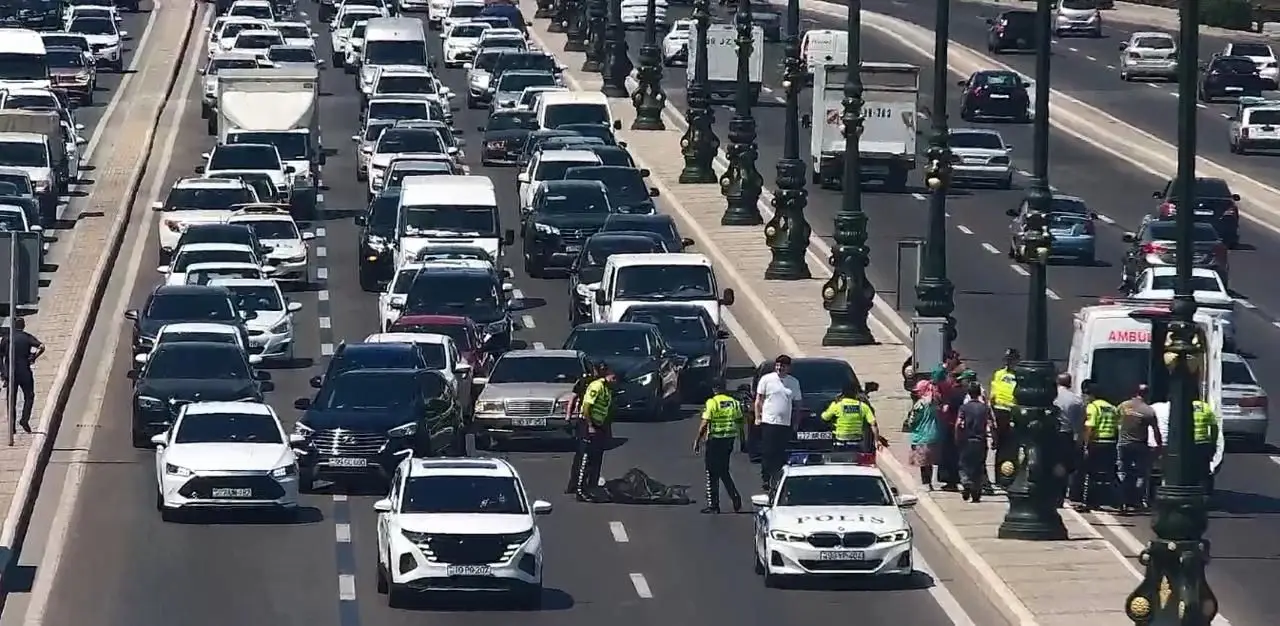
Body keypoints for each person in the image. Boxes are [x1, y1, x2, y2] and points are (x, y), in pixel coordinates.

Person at [693, 380, 743, 514]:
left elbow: (705, 423)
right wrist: (743, 441)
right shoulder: (734, 402)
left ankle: (714, 504)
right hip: (729, 440)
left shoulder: (712, 403)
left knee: (711, 472)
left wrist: (697, 440)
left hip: (715, 440)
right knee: (723, 470)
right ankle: (734, 496)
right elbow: (740, 421)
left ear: (714, 390)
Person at [754, 354, 802, 491]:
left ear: (788, 368)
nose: (780, 368)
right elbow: (759, 400)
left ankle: (777, 479)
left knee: (780, 453)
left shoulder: (794, 382)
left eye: (783, 366)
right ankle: (766, 478)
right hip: (769, 421)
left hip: (784, 423)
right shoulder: (767, 379)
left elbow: (797, 404)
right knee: (768, 451)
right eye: (778, 365)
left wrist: (796, 422)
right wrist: (758, 417)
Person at [1115, 385, 1160, 513]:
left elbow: (1115, 420)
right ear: (1147, 394)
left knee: (1122, 472)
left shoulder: (1123, 405)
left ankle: (1121, 501)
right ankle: (1136, 501)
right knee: (1140, 474)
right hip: (1140, 444)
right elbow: (1156, 431)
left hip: (1123, 443)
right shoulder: (1148, 411)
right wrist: (1159, 445)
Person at [575, 365, 616, 502]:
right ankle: (580, 490)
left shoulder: (607, 390)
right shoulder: (596, 386)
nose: (614, 381)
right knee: (586, 458)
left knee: (596, 458)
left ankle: (591, 487)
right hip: (588, 425)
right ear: (607, 375)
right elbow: (586, 407)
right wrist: (590, 425)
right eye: (613, 377)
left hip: (599, 426)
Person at [564, 362, 603, 494]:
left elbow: (572, 399)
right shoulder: (586, 383)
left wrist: (568, 417)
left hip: (595, 422)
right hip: (587, 421)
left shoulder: (600, 384)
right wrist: (569, 416)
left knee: (591, 454)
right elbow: (573, 399)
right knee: (585, 454)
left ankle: (588, 483)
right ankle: (579, 484)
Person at [1080, 379, 1119, 512]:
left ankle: (1089, 502)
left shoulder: (1093, 407)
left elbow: (1090, 427)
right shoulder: (1112, 407)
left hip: (1097, 443)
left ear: (1091, 395)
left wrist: (1085, 444)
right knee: (1108, 474)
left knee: (1090, 473)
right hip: (1110, 443)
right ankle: (1114, 500)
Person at [0, 318, 44, 434]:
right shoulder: (26, 337)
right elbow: (41, 346)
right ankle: (24, 419)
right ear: (23, 326)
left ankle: (12, 426)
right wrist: (33, 357)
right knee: (29, 396)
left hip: (11, 373)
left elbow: (0, 356)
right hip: (24, 371)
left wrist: (3, 372)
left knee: (11, 399)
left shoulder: (6, 338)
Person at [819, 381, 884, 453]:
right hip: (856, 441)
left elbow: (825, 417)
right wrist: (876, 440)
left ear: (843, 393)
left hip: (840, 440)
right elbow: (873, 424)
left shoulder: (837, 405)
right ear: (856, 393)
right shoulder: (863, 406)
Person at [955, 381, 992, 503]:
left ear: (969, 394)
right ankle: (976, 493)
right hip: (981, 441)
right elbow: (992, 425)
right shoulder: (985, 408)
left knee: (964, 465)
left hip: (967, 440)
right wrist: (995, 440)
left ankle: (966, 482)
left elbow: (958, 424)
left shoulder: (964, 408)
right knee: (979, 467)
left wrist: (957, 437)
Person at [1054, 373, 1086, 507]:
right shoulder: (1077, 400)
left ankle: (1050, 494)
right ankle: (1059, 497)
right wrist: (1079, 440)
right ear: (1070, 383)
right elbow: (1080, 423)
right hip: (1067, 435)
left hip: (1052, 434)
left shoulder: (1051, 396)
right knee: (1064, 468)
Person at [988, 349, 1019, 488]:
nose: (1008, 362)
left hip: (1012, 411)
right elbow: (993, 395)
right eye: (1007, 360)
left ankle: (1010, 477)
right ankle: (1000, 478)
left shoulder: (1019, 376)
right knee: (999, 446)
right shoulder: (999, 374)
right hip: (999, 412)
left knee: (1012, 448)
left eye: (1011, 360)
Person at [907, 379, 941, 490]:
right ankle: (929, 482)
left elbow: (913, 420)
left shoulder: (921, 404)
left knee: (923, 463)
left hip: (921, 434)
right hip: (933, 434)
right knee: (929, 462)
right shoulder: (935, 401)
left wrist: (909, 423)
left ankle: (926, 484)